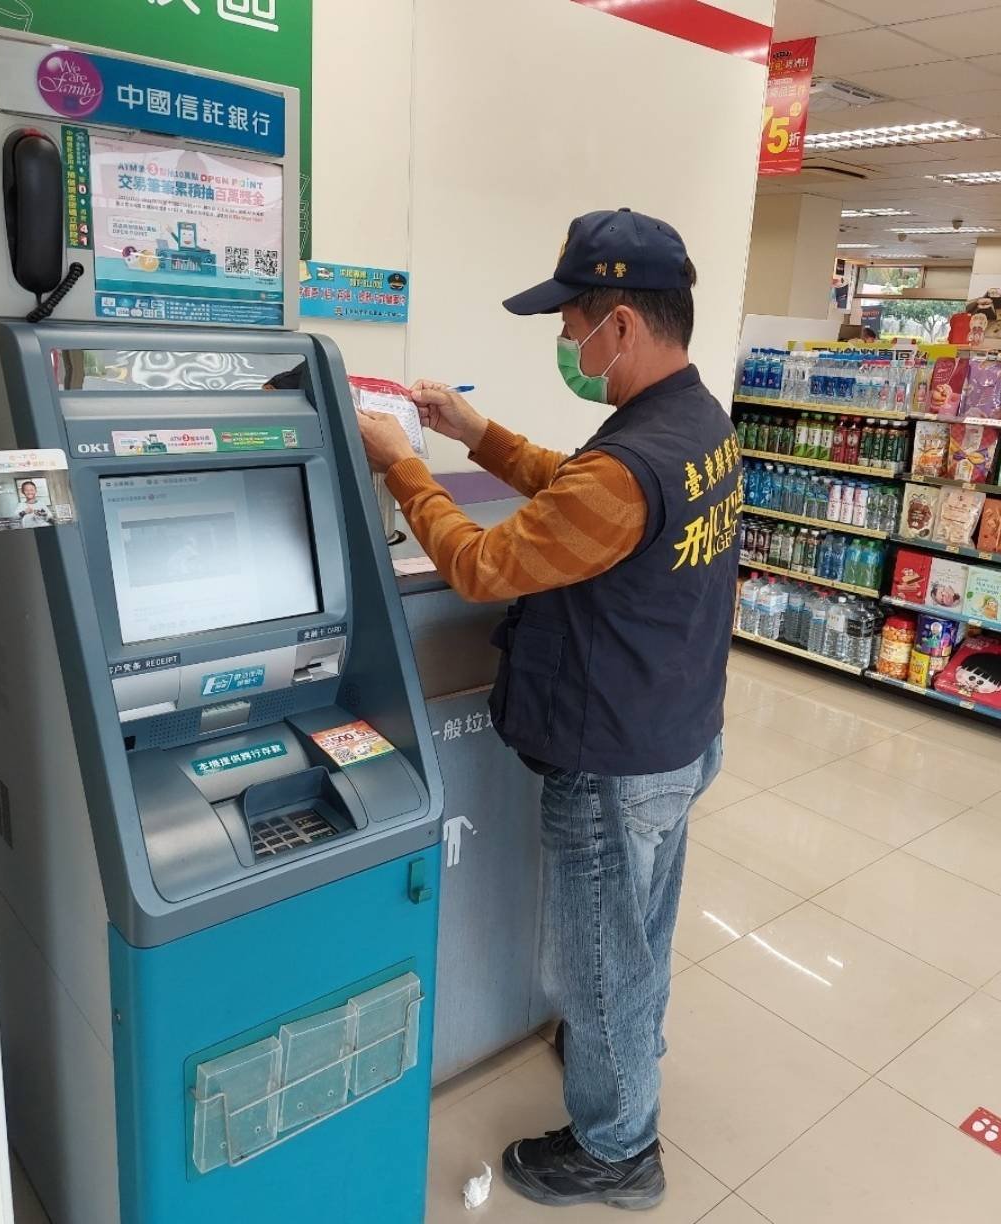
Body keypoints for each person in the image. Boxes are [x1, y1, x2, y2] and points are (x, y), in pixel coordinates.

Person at [358, 208, 741, 1212]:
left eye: (570, 324)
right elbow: (577, 493)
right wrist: (472, 433)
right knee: (637, 935)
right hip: (675, 731)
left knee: (602, 960)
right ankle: (625, 1056)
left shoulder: (632, 460)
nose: (565, 342)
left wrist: (401, 465)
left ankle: (617, 1150)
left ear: (621, 324)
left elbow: (483, 566)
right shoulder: (693, 422)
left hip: (614, 756)